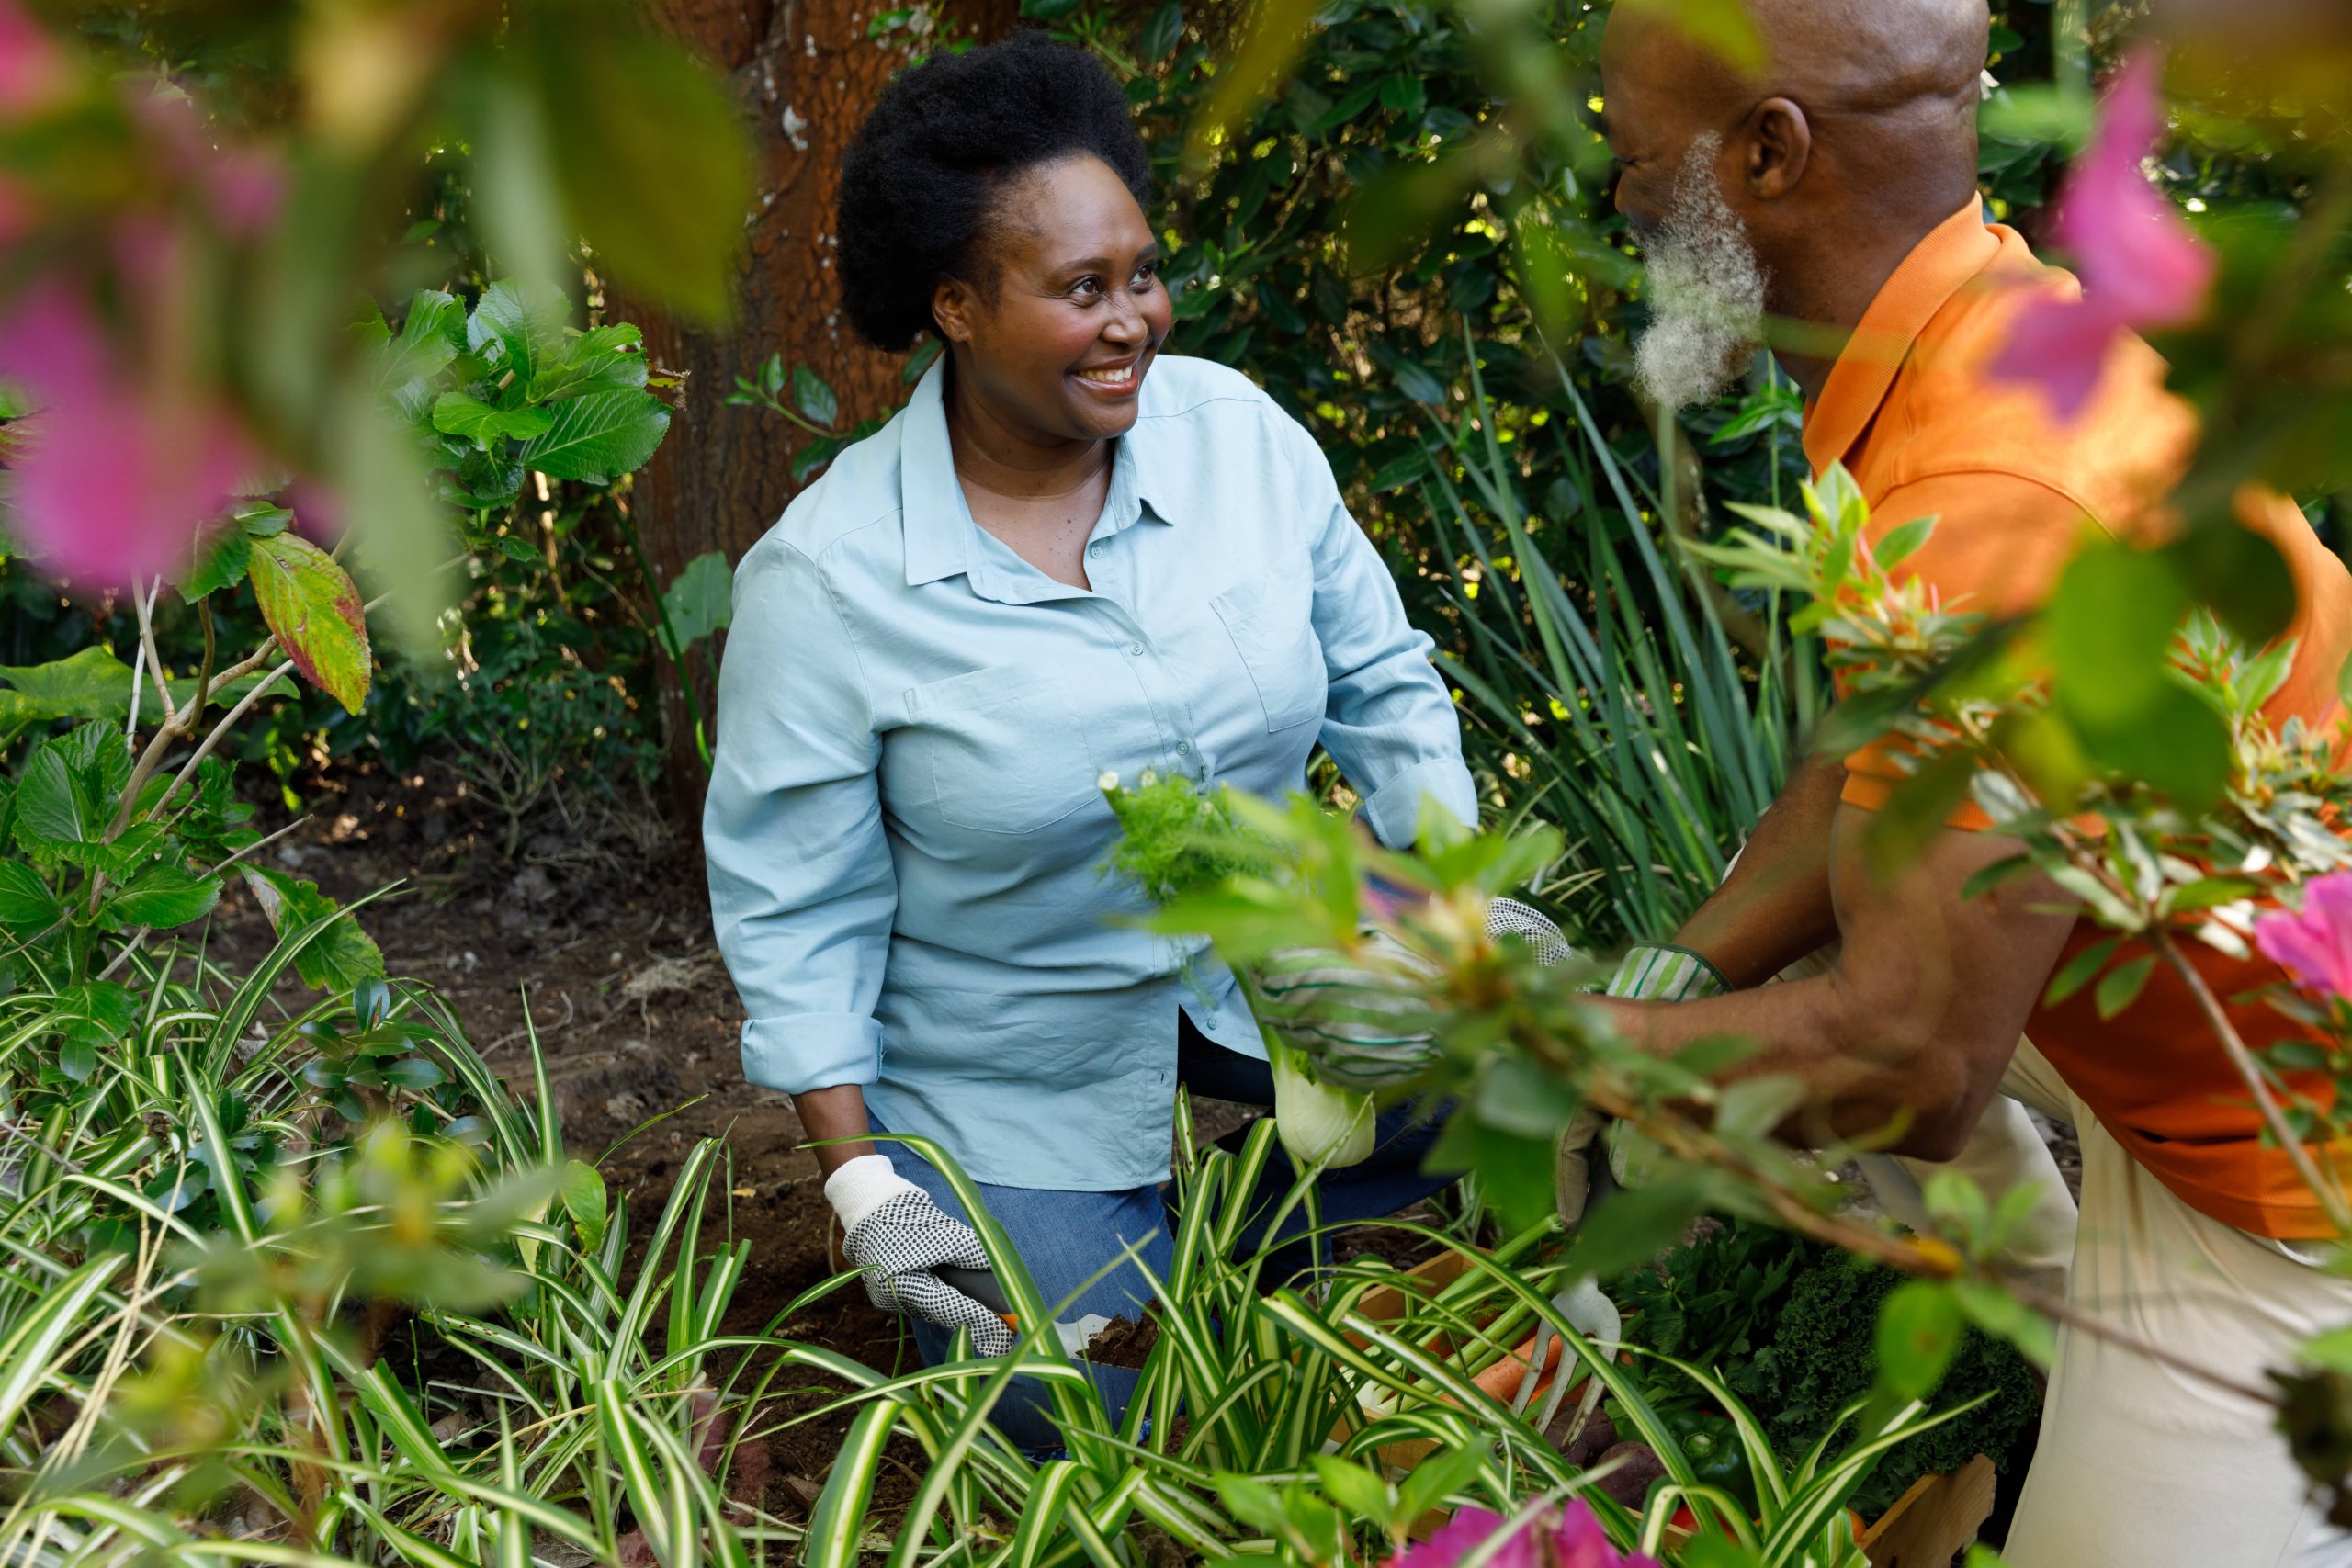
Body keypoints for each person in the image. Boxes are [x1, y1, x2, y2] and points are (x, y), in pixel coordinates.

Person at [1588, 2, 2352, 1562]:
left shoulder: (1993, 491)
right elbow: (1881, 765)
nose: (1618, 209)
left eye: (1633, 165)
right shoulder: (1979, 324)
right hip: (2205, 1006)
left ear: (1767, 155)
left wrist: (1564, 1043)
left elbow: (1912, 1061)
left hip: (2295, 1187)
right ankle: (2060, 1328)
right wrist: (1679, 975)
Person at [703, 33, 1476, 1446]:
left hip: (1272, 964)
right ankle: (1100, 1250)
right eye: (1079, 290)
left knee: (1525, 1076)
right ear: (954, 306)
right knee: (1092, 1411)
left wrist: (1459, 912)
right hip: (1018, 1054)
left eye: (1140, 275)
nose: (1134, 320)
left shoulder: (1235, 435)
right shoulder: (825, 585)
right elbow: (794, 910)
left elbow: (1383, 682)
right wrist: (866, 1185)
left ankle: (1240, 1239)